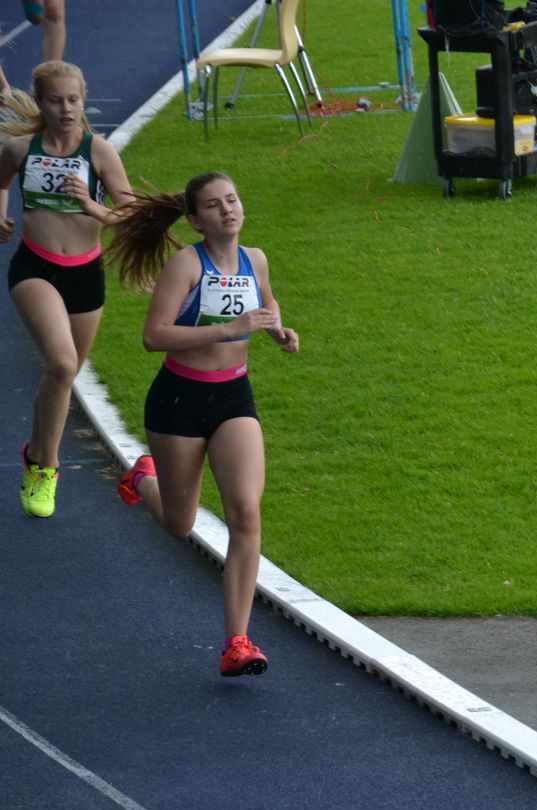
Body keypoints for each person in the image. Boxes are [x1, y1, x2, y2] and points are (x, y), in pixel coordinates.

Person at [104, 172, 299, 677]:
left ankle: (237, 642)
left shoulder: (256, 259)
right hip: (179, 400)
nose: (227, 210)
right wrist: (228, 329)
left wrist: (277, 330)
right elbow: (154, 336)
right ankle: (143, 478)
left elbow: (265, 302)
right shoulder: (187, 265)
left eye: (232, 200)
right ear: (195, 220)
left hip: (234, 396)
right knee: (179, 524)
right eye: (213, 205)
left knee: (246, 513)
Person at [0, 60, 132, 518]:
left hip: (85, 273)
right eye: (55, 101)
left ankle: (35, 453)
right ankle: (47, 469)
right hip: (35, 267)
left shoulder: (100, 152)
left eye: (73, 100)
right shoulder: (21, 148)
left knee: (63, 375)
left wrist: (92, 207)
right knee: (60, 362)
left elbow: (129, 214)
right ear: (41, 103)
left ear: (83, 99)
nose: (66, 109)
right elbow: (1, 181)